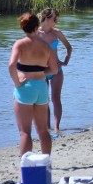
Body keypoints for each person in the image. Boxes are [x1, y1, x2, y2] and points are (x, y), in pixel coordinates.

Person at [9, 13, 58, 156]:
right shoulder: (46, 45)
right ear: (37, 27)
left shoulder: (20, 44)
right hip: (41, 87)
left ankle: (26, 166)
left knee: (25, 131)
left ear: (22, 28)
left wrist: (17, 82)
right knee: (43, 130)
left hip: (25, 88)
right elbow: (54, 69)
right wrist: (41, 73)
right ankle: (46, 161)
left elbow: (11, 65)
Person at [38, 8, 72, 136]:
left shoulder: (56, 33)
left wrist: (65, 61)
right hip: (42, 71)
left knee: (56, 99)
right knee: (44, 100)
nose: (56, 22)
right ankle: (47, 128)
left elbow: (69, 47)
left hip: (57, 70)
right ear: (46, 19)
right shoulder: (36, 33)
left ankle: (57, 128)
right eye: (54, 19)